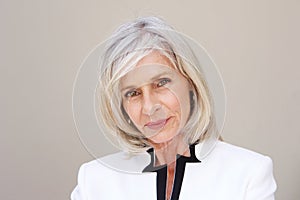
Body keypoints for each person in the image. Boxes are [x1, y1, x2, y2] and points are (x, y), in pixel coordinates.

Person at [71, 16, 277, 200]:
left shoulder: (249, 174)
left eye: (161, 83)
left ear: (190, 82)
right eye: (133, 93)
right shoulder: (95, 181)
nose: (150, 107)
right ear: (122, 107)